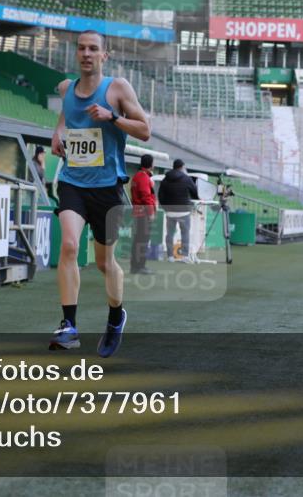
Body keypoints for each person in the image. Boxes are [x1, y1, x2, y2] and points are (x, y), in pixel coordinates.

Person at [49, 30, 150, 357]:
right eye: (81, 48)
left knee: (106, 263)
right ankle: (69, 325)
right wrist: (57, 134)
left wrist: (113, 117)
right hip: (73, 182)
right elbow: (66, 116)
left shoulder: (117, 88)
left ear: (104, 56)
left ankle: (116, 315)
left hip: (107, 188)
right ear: (76, 54)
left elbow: (145, 130)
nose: (87, 54)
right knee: (68, 245)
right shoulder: (67, 89)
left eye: (94, 49)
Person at [158, 159, 199, 262]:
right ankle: (185, 256)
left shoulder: (165, 179)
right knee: (185, 233)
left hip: (170, 211)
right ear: (182, 167)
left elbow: (160, 195)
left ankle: (170, 256)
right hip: (184, 210)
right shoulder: (186, 178)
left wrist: (165, 207)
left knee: (170, 234)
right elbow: (195, 192)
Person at [129, 154, 158, 274]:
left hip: (138, 213)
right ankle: (140, 266)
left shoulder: (137, 176)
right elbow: (146, 197)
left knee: (138, 240)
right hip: (144, 214)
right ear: (151, 164)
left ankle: (136, 266)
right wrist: (151, 212)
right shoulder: (143, 177)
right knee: (142, 241)